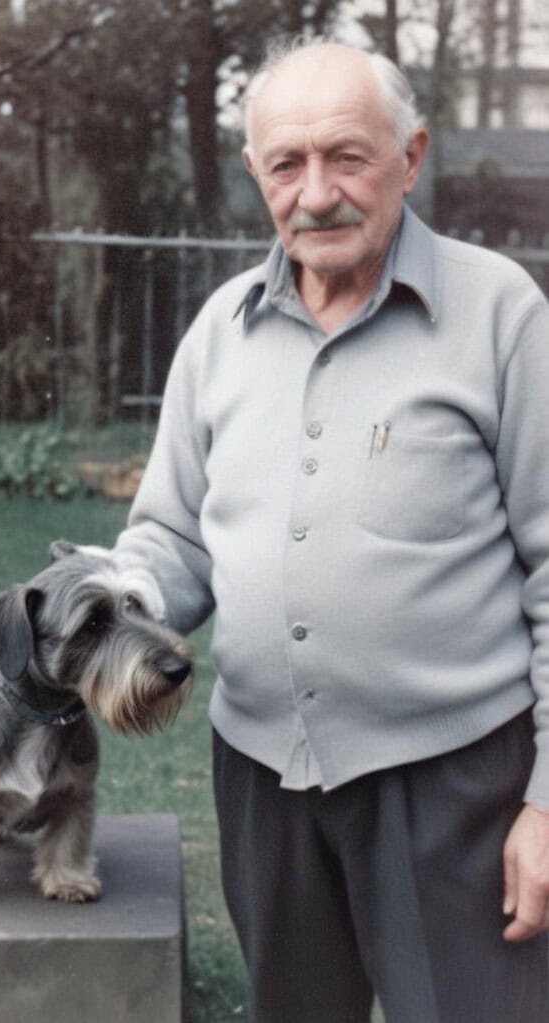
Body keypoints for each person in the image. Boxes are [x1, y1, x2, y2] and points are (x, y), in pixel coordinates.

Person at [114, 39, 549, 1022]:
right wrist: (103, 605)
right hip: (261, 779)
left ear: (411, 156)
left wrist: (547, 806)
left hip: (454, 790)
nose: (315, 194)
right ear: (256, 175)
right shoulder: (219, 331)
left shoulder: (500, 316)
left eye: (345, 157)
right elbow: (172, 539)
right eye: (285, 164)